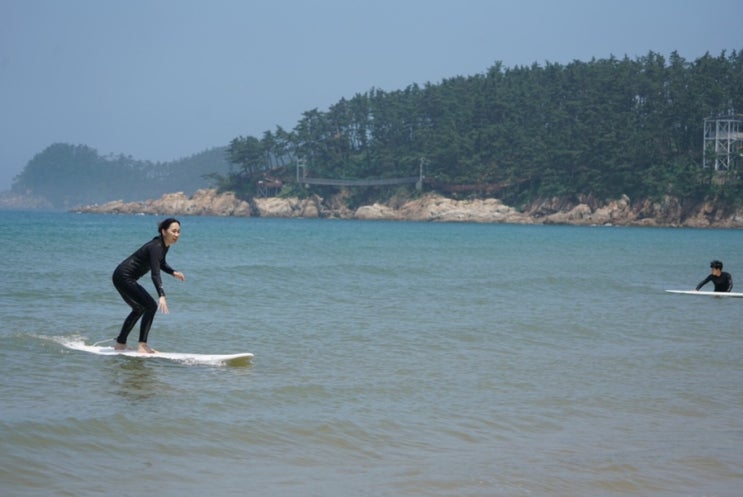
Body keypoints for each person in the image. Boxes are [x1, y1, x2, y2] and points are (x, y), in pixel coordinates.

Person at [112, 218, 185, 353]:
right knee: (150, 306)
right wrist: (161, 295)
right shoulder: (156, 246)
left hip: (121, 277)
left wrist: (173, 272)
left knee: (139, 308)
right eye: (173, 231)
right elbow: (155, 273)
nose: (177, 235)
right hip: (124, 277)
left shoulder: (163, 246)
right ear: (164, 231)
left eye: (179, 232)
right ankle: (142, 345)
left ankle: (120, 344)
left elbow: (160, 263)